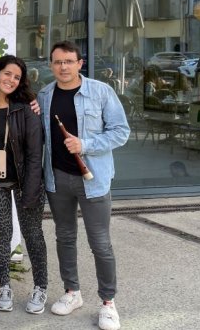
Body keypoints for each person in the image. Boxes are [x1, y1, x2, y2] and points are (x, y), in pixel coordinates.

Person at [37, 41, 130, 330]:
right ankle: (72, 292)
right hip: (57, 179)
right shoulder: (44, 95)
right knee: (64, 237)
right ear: (51, 65)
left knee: (100, 243)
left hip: (94, 179)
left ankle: (108, 302)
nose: (63, 67)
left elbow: (121, 132)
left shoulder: (101, 92)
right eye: (57, 62)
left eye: (68, 61)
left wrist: (85, 144)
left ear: (80, 64)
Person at [0, 55, 48, 314]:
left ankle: (40, 287)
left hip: (26, 179)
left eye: (17, 77)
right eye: (7, 73)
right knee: (1, 235)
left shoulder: (25, 107)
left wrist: (31, 190)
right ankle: (4, 286)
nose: (11, 80)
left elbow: (35, 154)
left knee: (33, 234)